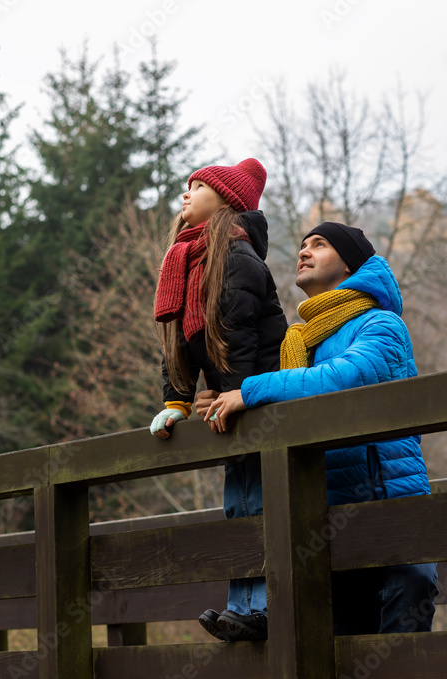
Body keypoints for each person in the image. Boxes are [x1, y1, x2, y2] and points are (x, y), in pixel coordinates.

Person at [200, 221, 438, 637]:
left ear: (350, 265)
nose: (304, 252)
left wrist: (249, 391)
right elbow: (277, 397)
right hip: (327, 524)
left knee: (402, 652)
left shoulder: (379, 325)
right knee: (339, 651)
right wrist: (221, 398)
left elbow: (345, 376)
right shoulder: (298, 342)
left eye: (320, 244)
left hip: (390, 512)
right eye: (303, 245)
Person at [149, 158, 287, 643]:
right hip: (235, 394)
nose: (186, 194)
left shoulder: (237, 258)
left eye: (199, 185)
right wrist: (179, 402)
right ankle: (241, 606)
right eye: (187, 186)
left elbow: (237, 333)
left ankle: (266, 606)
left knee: (263, 501)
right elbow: (179, 345)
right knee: (239, 504)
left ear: (227, 200)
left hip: (262, 397)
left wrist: (235, 391)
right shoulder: (188, 257)